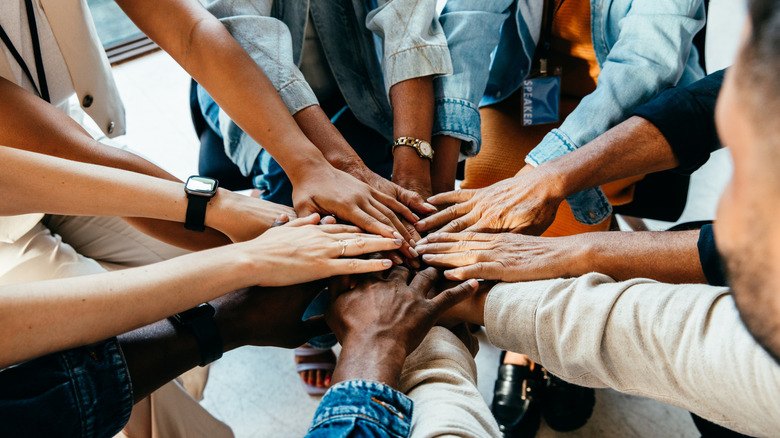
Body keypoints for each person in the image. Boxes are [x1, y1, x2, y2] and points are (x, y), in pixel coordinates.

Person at [429, 1, 780, 435]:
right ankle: (541, 331)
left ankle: (539, 341)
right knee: (488, 180)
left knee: (563, 214)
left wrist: (552, 188)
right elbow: (468, 22)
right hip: (522, 87)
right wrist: (437, 177)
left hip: (626, 103)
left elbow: (647, 63)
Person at [194, 0, 462, 393]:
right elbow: (240, 35)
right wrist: (332, 166)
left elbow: (409, 17)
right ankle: (316, 330)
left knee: (375, 212)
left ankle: (346, 310)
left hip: (366, 82)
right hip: (249, 92)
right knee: (300, 215)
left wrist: (412, 167)